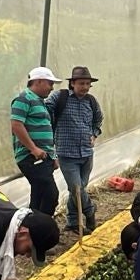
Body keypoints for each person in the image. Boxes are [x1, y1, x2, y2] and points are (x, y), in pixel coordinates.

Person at [46, 66, 103, 232]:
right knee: (76, 189)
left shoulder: (91, 101)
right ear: (72, 83)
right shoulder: (60, 97)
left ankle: (72, 222)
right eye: (81, 83)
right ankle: (90, 211)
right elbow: (45, 110)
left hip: (86, 153)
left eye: (87, 84)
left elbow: (98, 120)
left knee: (78, 190)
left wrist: (94, 134)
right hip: (66, 154)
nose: (85, 87)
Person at [11, 66, 63, 216]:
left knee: (39, 196)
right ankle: (42, 227)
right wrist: (33, 148)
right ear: (38, 81)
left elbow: (45, 130)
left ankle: (31, 230)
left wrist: (52, 157)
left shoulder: (40, 102)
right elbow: (16, 124)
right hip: (32, 157)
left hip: (42, 157)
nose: (52, 88)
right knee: (50, 195)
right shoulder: (24, 98)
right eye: (50, 83)